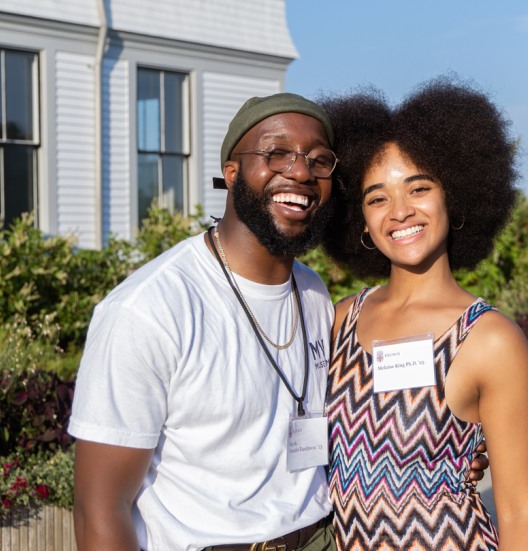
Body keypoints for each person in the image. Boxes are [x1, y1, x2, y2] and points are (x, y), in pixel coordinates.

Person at [68, 93, 341, 551]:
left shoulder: (313, 293)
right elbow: (100, 509)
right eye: (276, 153)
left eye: (319, 160)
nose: (300, 172)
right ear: (231, 173)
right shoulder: (149, 309)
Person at [320, 77, 528, 550]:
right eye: (377, 197)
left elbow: (521, 510)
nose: (399, 211)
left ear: (454, 196)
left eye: (418, 188)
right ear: (360, 220)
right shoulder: (339, 321)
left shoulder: (491, 339)